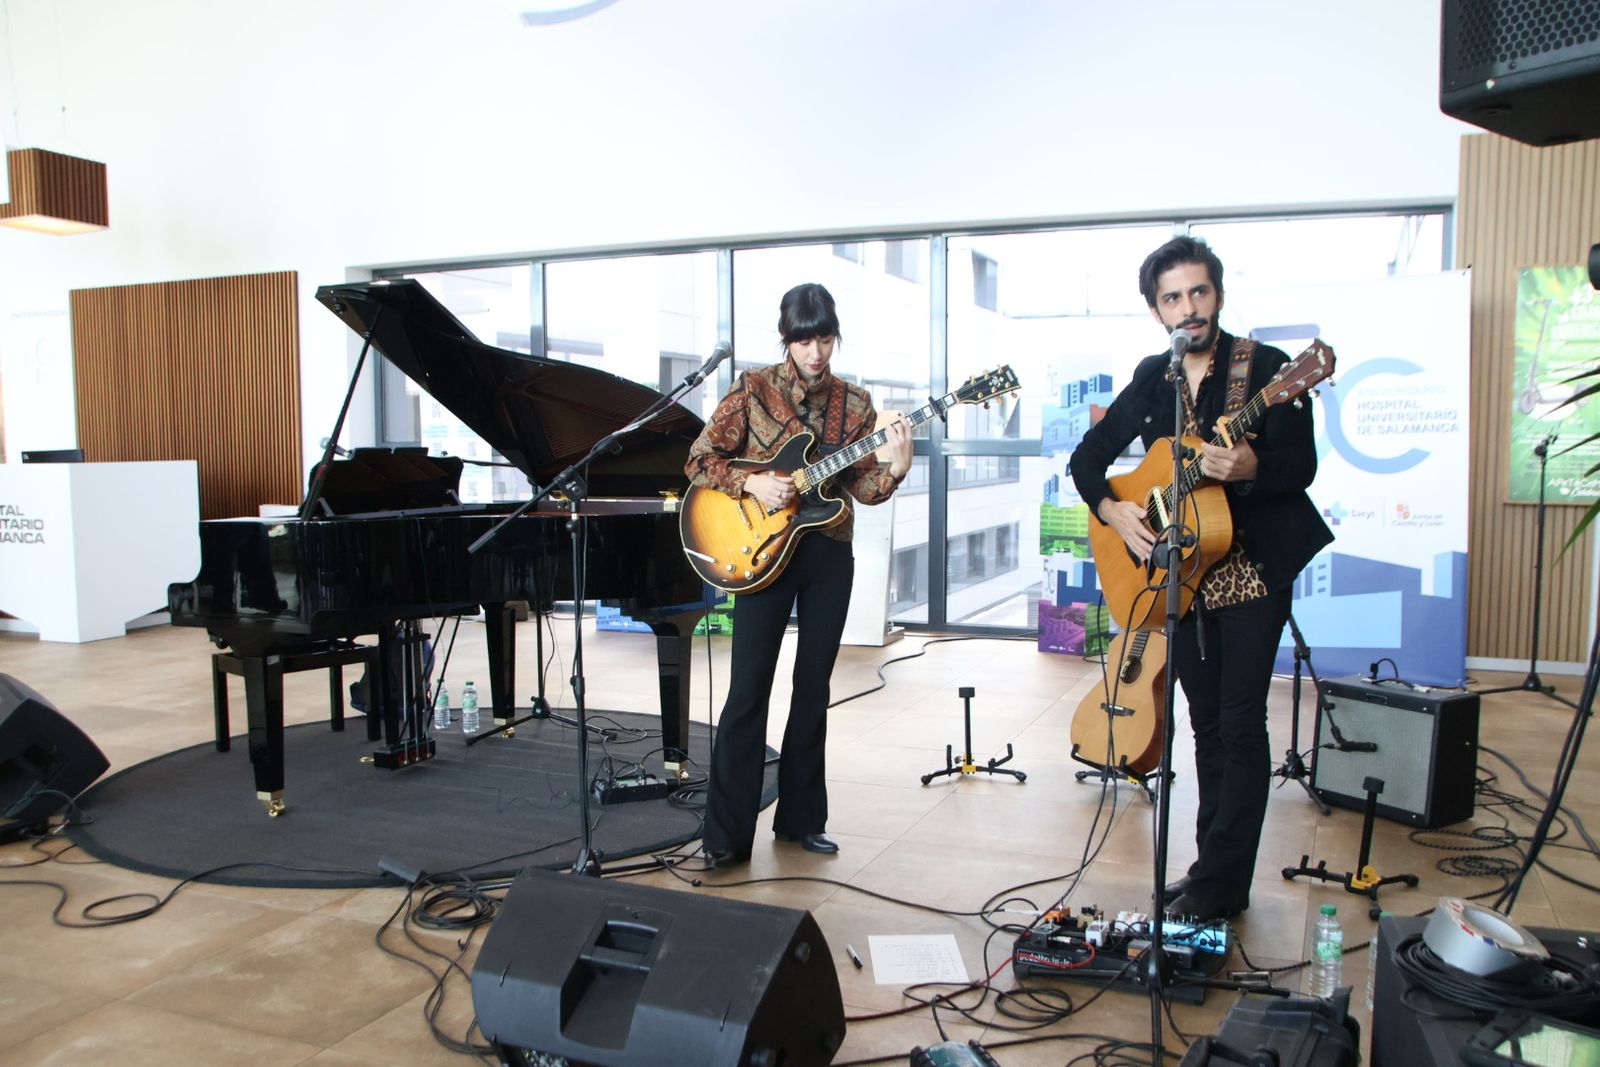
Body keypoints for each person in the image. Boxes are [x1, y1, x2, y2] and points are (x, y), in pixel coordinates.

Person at [1069, 236, 1333, 921]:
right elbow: (1087, 459)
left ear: (1217, 294)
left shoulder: (1268, 369)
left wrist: (1250, 468)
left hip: (1250, 568)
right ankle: (1210, 871)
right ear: (1156, 310)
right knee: (1204, 723)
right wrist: (1116, 511)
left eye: (1199, 292)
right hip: (1183, 575)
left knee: (1242, 724)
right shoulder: (1154, 378)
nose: (1189, 308)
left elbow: (1299, 466)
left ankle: (1220, 883)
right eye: (1173, 297)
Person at [686, 282, 913, 868]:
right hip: (761, 553)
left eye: (826, 339)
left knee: (813, 688)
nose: (816, 352)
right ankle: (725, 836)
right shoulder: (753, 389)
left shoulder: (855, 405)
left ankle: (801, 821)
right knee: (747, 690)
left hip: (826, 556)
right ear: (786, 340)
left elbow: (862, 491)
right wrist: (752, 482)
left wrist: (897, 469)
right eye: (805, 340)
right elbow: (699, 458)